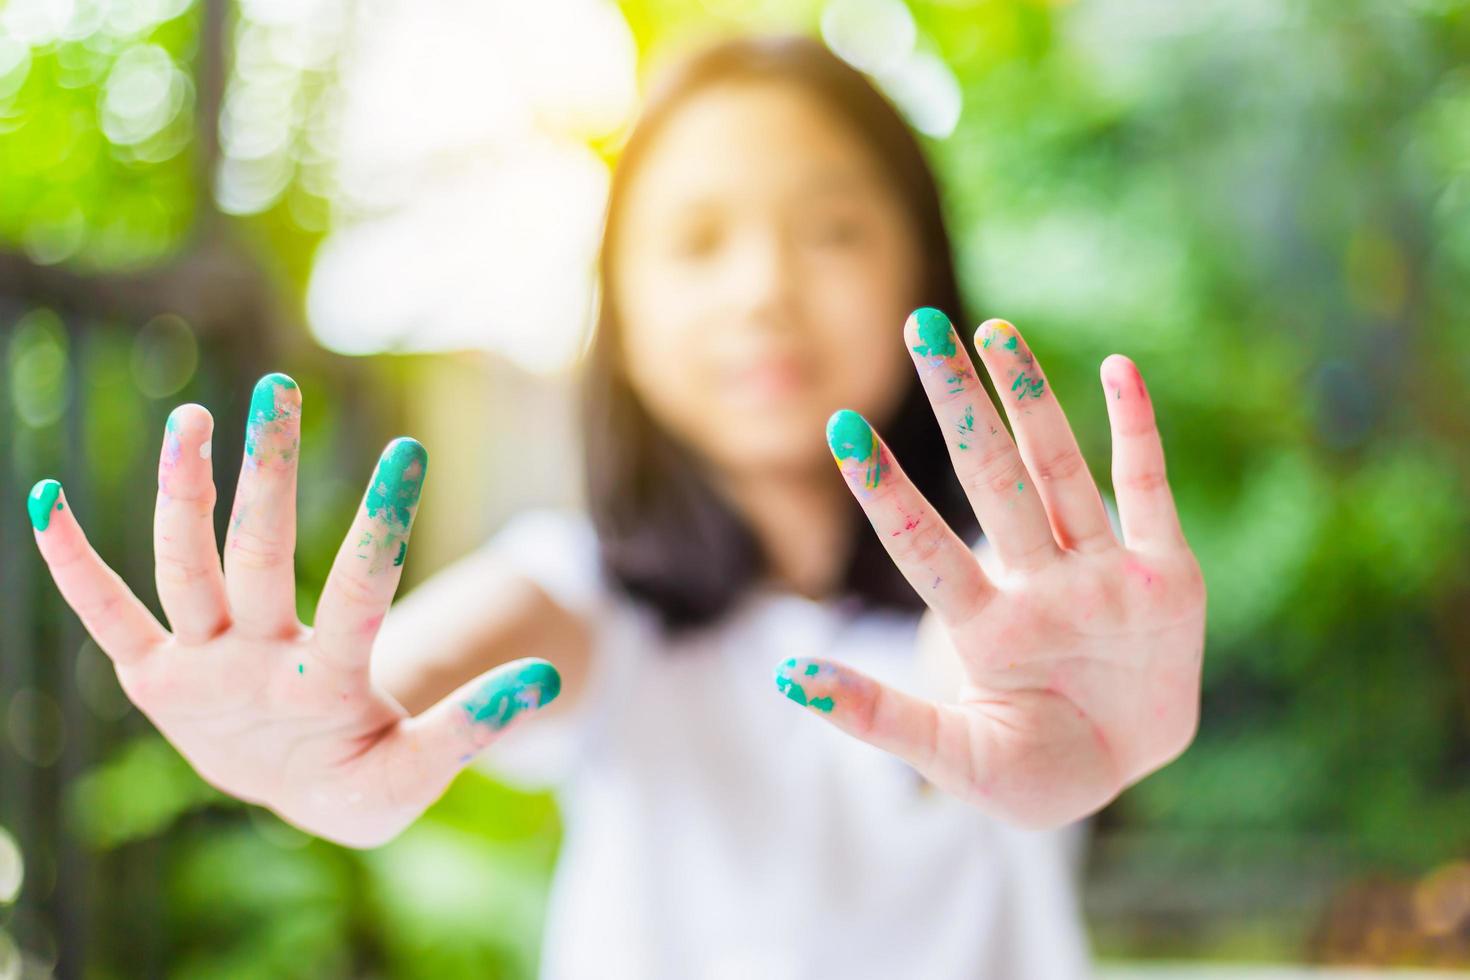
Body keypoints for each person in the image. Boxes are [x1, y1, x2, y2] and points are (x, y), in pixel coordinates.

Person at [27, 35, 1205, 979]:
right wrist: (340, 723)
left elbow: (977, 679)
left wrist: (1063, 707)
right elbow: (445, 656)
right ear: (621, 322)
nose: (762, 291)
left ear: (923, 272)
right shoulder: (587, 596)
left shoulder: (1003, 605)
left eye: (835, 230)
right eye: (695, 242)